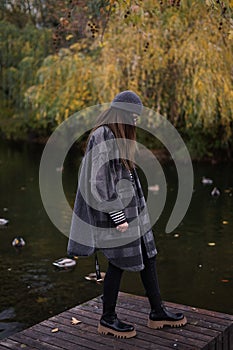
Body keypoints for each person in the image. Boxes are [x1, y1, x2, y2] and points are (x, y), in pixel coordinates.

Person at [67, 91, 187, 339]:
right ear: (120, 112)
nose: (135, 121)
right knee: (118, 261)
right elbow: (97, 181)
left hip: (133, 209)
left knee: (148, 255)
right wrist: (117, 216)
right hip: (114, 213)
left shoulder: (118, 136)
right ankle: (107, 319)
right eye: (132, 115)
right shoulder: (103, 134)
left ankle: (157, 312)